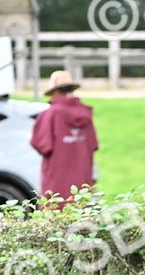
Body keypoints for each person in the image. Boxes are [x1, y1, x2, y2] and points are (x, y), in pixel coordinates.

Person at [29, 70, 98, 209]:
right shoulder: (85, 114)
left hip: (56, 181)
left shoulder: (50, 114)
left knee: (55, 213)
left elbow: (40, 144)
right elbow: (93, 144)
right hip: (82, 181)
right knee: (82, 212)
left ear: (54, 91)